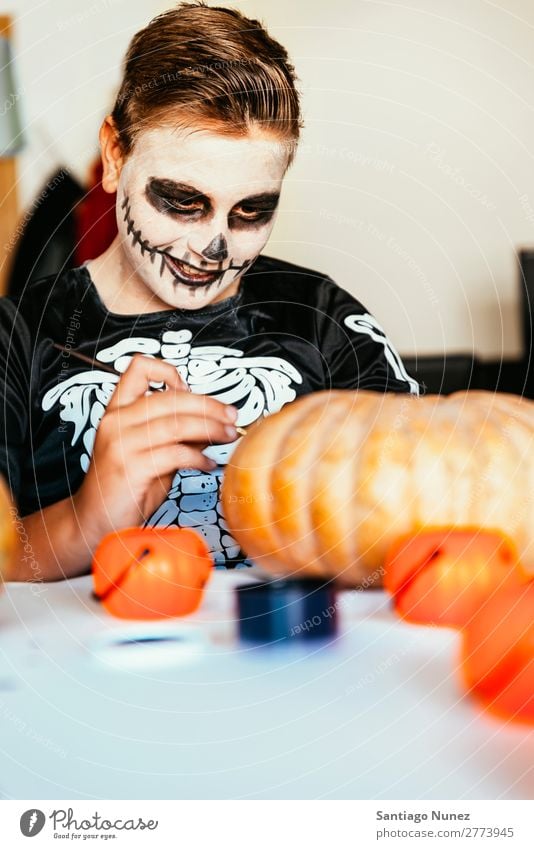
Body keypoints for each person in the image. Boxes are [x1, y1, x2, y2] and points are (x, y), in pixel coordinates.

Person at [0, 2, 419, 582]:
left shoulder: (322, 318)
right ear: (115, 157)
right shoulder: (18, 338)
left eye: (251, 211)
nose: (214, 249)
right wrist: (86, 520)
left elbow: (424, 524)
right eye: (183, 201)